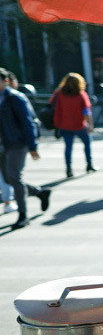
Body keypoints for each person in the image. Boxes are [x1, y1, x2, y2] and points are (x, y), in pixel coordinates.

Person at [0, 68, 51, 229]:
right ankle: (40, 192)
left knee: (15, 178)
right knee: (9, 179)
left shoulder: (15, 98)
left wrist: (32, 146)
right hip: (3, 144)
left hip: (16, 143)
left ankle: (23, 215)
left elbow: (28, 123)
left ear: (6, 81)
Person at [50, 72, 96, 177]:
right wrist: (90, 124)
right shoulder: (81, 94)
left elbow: (52, 103)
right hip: (80, 125)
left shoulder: (59, 93)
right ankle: (89, 164)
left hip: (64, 125)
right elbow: (86, 111)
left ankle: (68, 169)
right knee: (87, 143)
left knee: (68, 147)